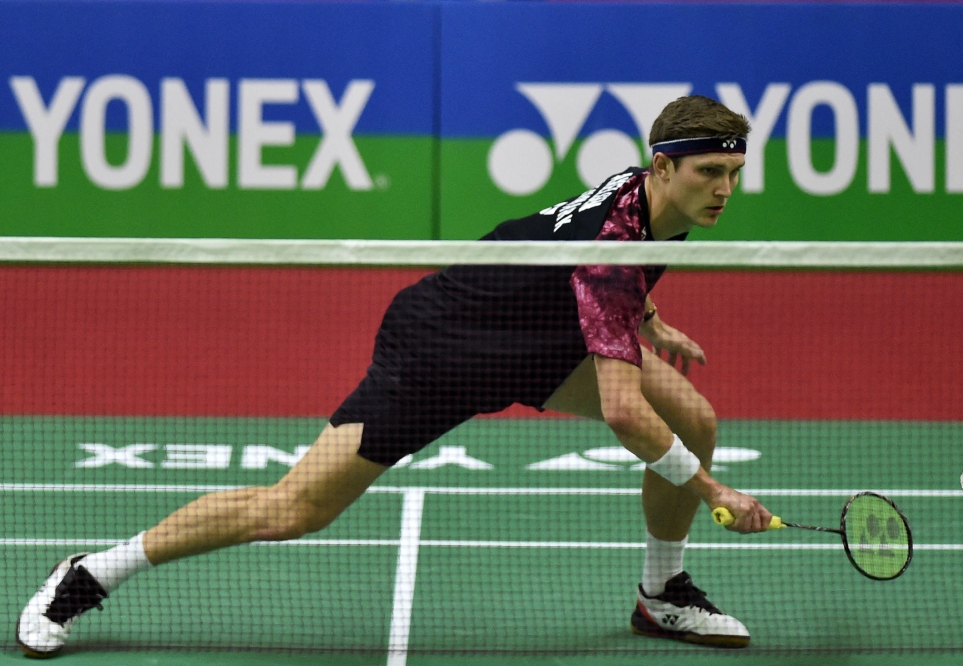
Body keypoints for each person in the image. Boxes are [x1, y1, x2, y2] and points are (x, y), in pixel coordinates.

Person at [17, 95, 774, 657]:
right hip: (441, 351)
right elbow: (623, 411)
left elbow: (579, 265)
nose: (724, 191)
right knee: (292, 511)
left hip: (541, 342)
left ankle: (660, 594)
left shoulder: (648, 204)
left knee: (693, 419)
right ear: (664, 166)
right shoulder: (617, 243)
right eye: (711, 172)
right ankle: (90, 573)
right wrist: (714, 492)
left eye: (736, 174)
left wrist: (644, 317)